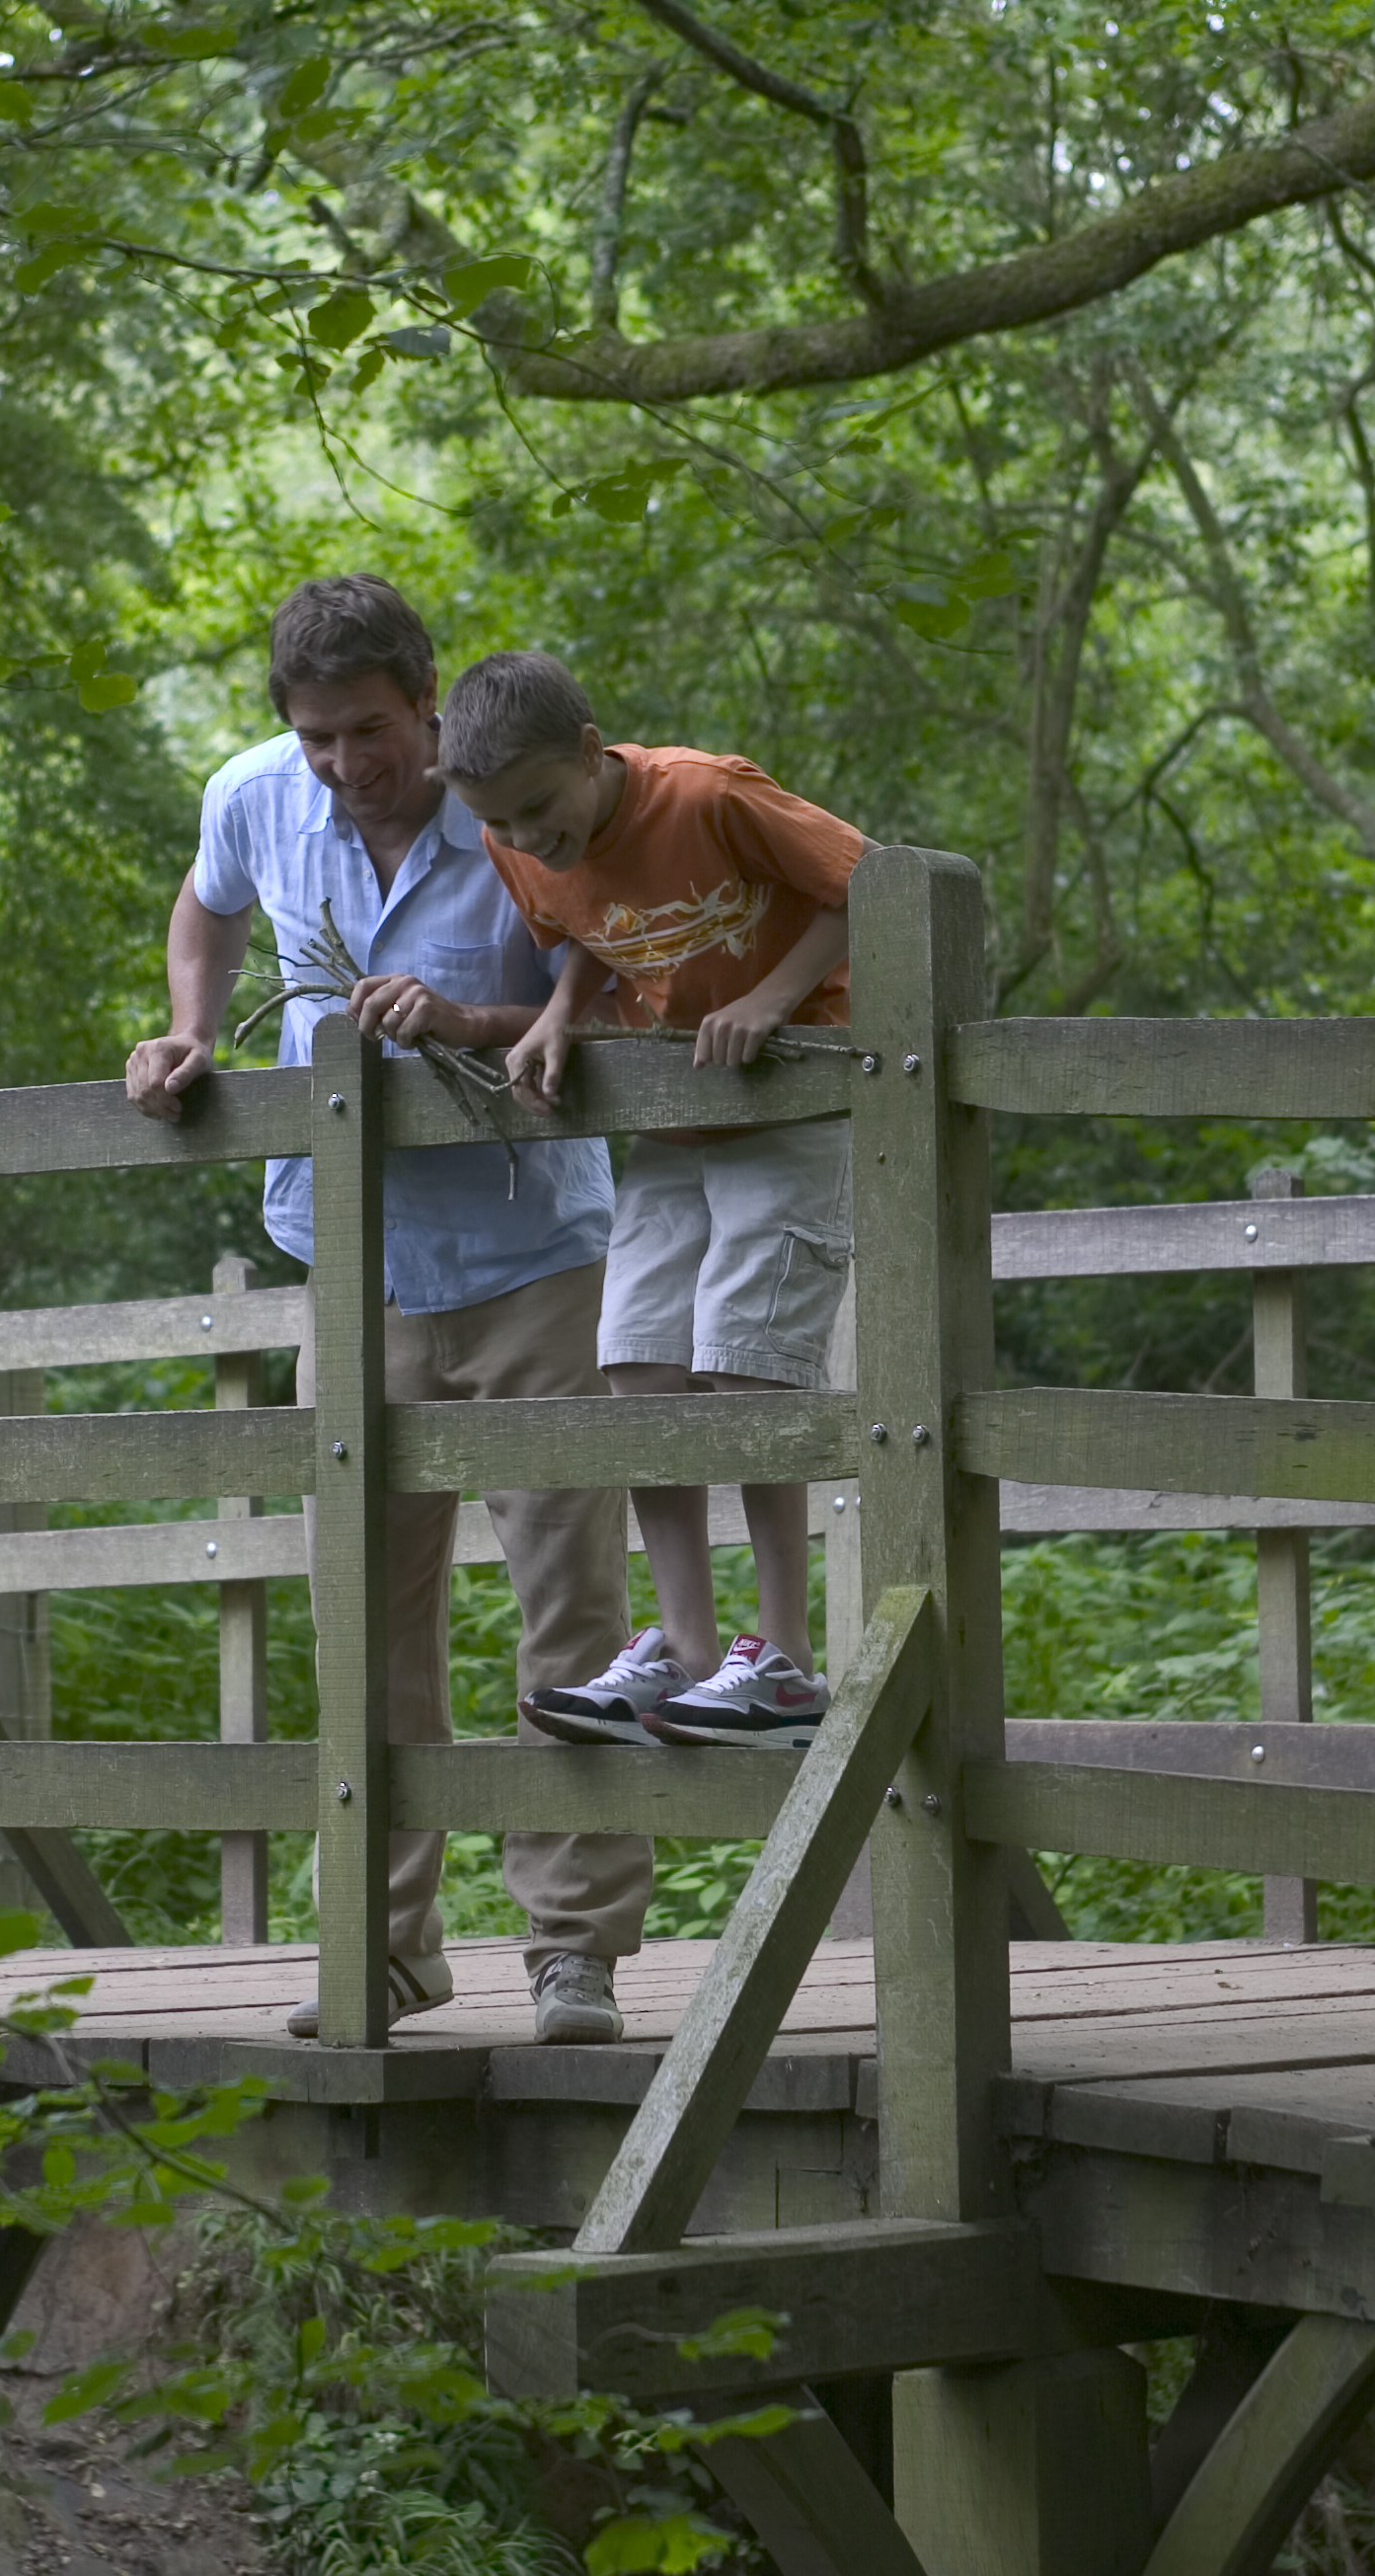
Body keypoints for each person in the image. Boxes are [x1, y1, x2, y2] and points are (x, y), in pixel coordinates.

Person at [121, 579, 648, 2045]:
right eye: (317, 739)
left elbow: (614, 954)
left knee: (569, 1611)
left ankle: (575, 1950)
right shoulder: (255, 795)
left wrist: (529, 1025)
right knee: (361, 1613)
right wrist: (183, 1025)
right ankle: (383, 1941)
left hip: (533, 1257)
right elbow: (206, 902)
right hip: (345, 1256)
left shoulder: (516, 797)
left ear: (425, 696)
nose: (347, 764)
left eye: (368, 730)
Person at [447, 649, 865, 1751]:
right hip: (673, 1123)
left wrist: (776, 999)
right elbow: (585, 936)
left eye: (540, 807)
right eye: (502, 823)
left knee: (745, 1361)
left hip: (789, 1104)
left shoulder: (706, 793)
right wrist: (557, 1018)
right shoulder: (514, 841)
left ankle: (781, 1656)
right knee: (635, 1359)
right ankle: (683, 1647)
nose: (529, 839)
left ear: (591, 752)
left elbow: (868, 881)